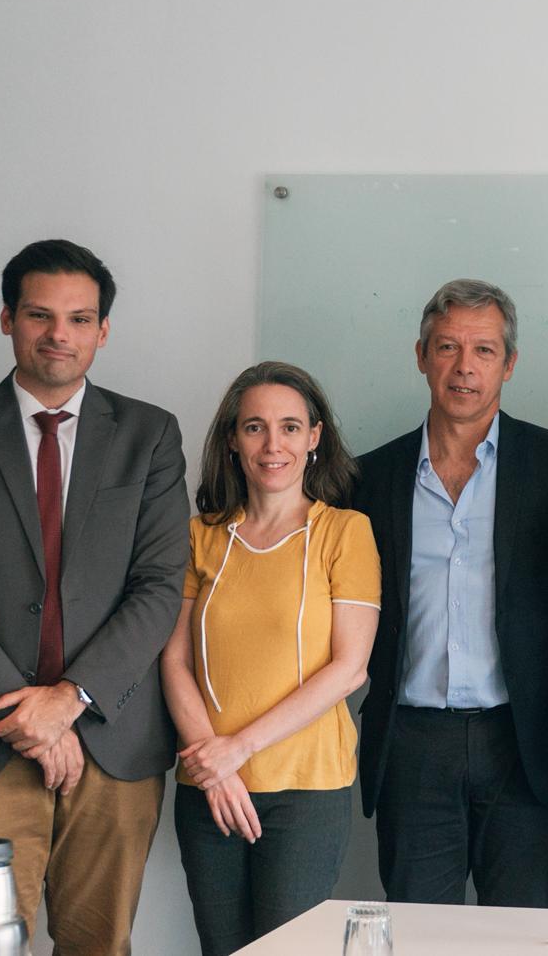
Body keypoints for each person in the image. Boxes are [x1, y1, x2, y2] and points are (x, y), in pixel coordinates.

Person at [0, 239, 189, 954]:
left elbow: (159, 585)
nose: (60, 334)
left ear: (102, 330)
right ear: (7, 319)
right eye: (39, 315)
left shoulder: (149, 434)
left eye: (80, 318)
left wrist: (71, 700)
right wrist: (30, 719)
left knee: (99, 946)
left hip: (112, 737)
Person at [353, 279, 548, 907]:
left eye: (484, 350)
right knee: (419, 935)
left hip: (523, 739)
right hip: (411, 742)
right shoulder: (369, 478)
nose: (464, 367)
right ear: (421, 355)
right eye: (447, 347)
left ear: (509, 364)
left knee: (521, 935)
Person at [162, 361, 380, 955]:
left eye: (289, 427)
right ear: (233, 440)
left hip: (305, 791)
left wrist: (238, 750)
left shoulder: (345, 532)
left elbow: (350, 668)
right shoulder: (200, 536)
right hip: (208, 787)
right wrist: (216, 768)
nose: (272, 444)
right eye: (254, 427)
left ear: (314, 438)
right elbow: (174, 662)